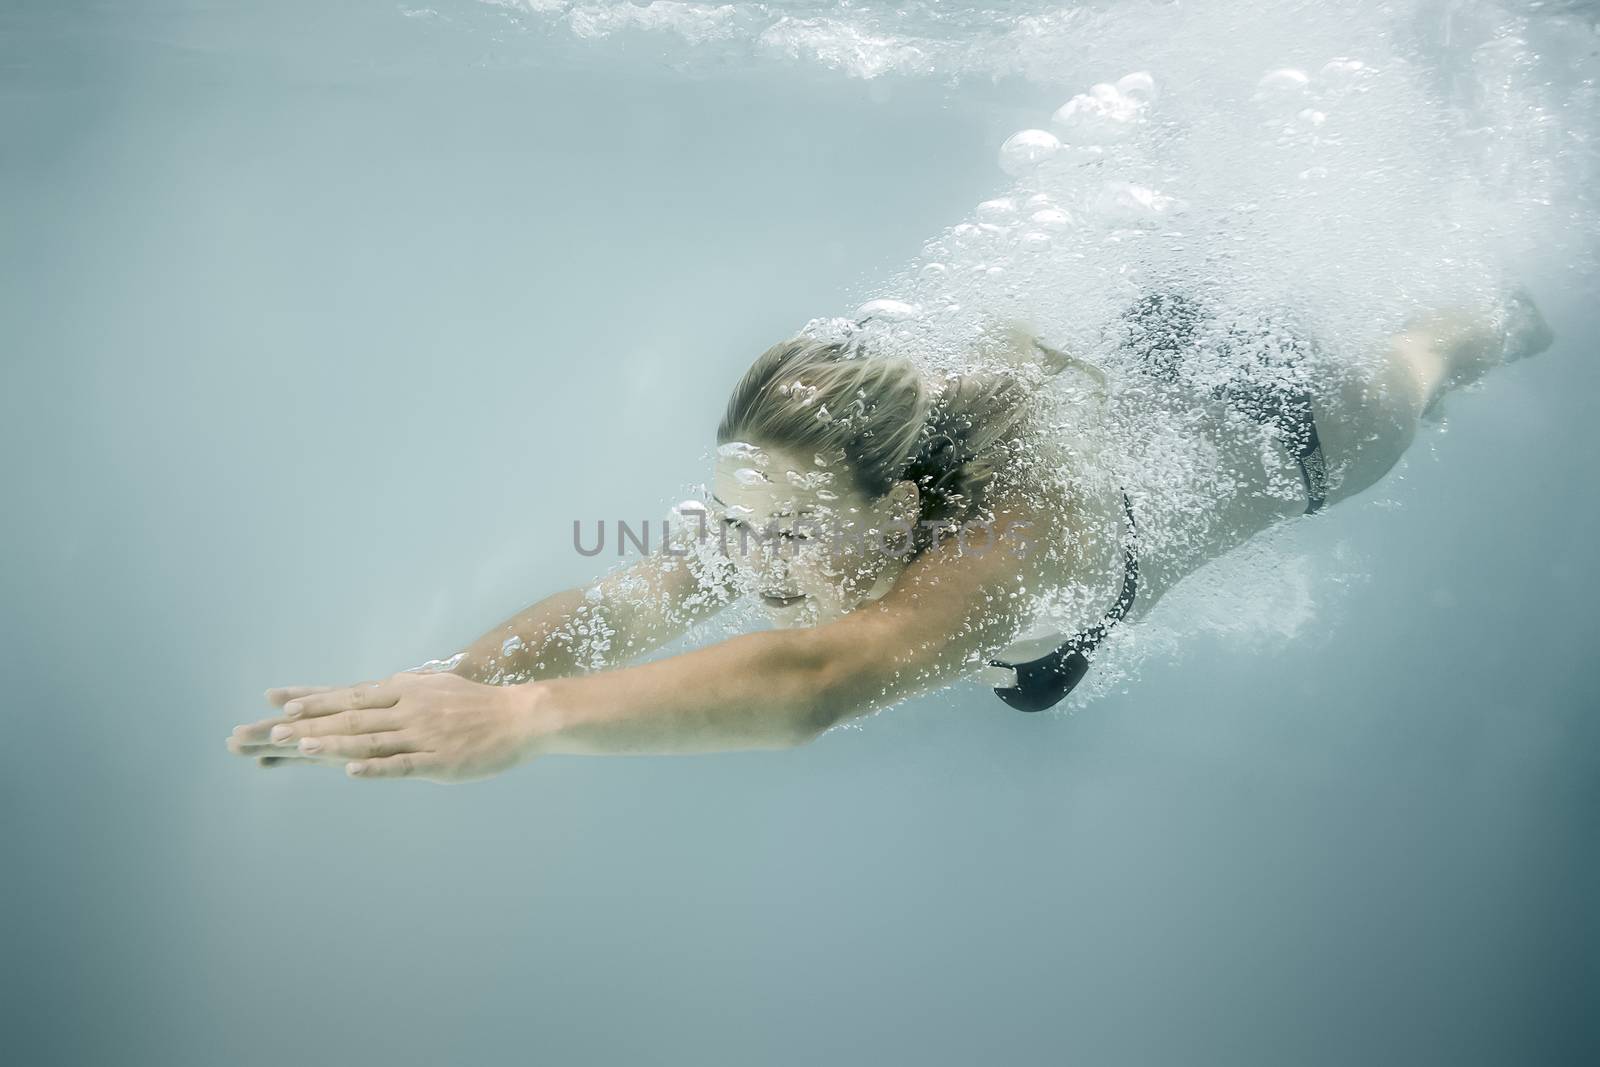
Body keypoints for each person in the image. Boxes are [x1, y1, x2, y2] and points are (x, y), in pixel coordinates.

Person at [225, 290, 1553, 781]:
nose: (756, 555)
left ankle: (1514, 300)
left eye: (791, 529)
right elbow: (633, 597)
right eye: (744, 515)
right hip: (1142, 363)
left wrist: (529, 724)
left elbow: (817, 684)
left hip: (1291, 426)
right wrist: (456, 680)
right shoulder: (794, 511)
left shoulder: (1012, 548)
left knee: (1434, 351)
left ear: (903, 510)